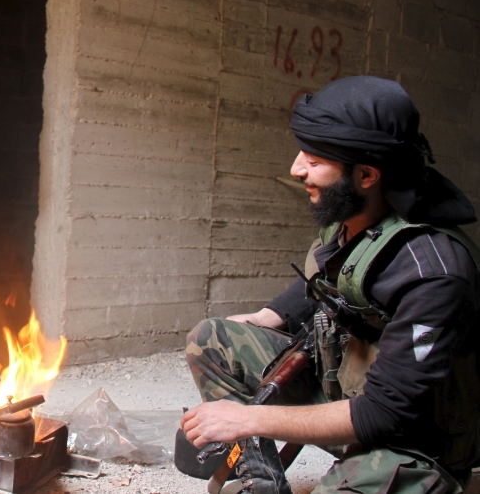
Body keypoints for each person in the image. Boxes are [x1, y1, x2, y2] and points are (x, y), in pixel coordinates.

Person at [180, 77, 480, 494]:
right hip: (344, 390)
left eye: (315, 159)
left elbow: (384, 413)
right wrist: (270, 315)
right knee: (213, 338)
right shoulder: (355, 218)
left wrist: (248, 418)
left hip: (409, 437)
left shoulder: (433, 271)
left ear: (367, 174)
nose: (296, 168)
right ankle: (259, 477)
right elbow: (332, 275)